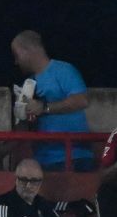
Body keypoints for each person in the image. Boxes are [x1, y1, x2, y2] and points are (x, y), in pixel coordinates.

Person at [9, 30, 91, 171]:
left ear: (27, 50)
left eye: (17, 55)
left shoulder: (63, 70)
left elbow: (82, 100)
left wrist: (44, 107)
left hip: (73, 156)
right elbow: (25, 127)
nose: (16, 62)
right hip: (42, 159)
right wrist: (22, 114)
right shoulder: (28, 84)